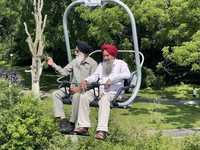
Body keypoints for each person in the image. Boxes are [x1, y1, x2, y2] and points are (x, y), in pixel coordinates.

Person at [74, 44, 131, 140]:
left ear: (113, 55)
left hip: (113, 93)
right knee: (84, 96)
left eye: (107, 55)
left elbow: (127, 74)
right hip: (99, 90)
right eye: (104, 56)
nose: (105, 58)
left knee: (104, 100)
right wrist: (86, 80)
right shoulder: (101, 65)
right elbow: (95, 76)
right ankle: (83, 126)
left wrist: (111, 79)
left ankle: (102, 131)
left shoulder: (121, 64)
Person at [46, 40, 98, 134]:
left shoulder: (93, 64)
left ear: (84, 53)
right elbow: (64, 71)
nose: (75, 53)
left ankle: (72, 123)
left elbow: (94, 81)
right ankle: (63, 120)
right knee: (55, 93)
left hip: (82, 90)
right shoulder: (74, 62)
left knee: (76, 96)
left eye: (77, 51)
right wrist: (53, 64)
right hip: (71, 88)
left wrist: (79, 88)